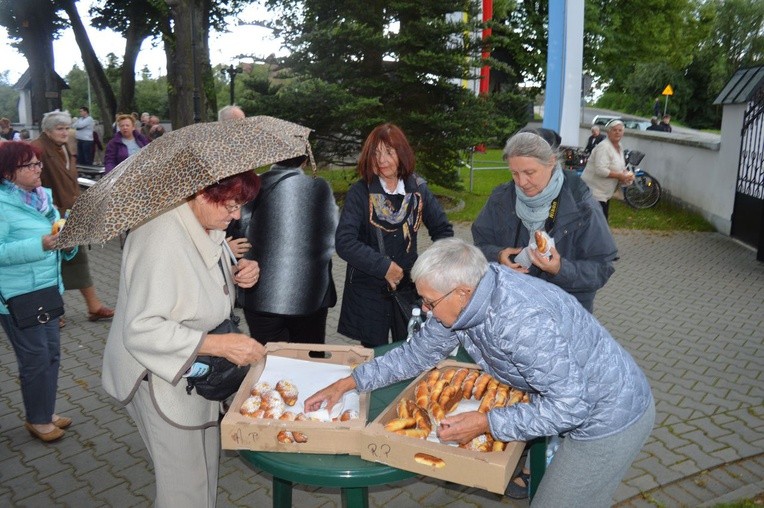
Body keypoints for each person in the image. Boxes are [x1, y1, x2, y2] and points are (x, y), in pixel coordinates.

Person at [306, 238, 655, 508]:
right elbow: (417, 354)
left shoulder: (520, 323)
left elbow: (570, 407)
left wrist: (488, 422)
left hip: (608, 416)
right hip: (575, 396)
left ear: (462, 292)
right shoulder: (465, 301)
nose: (425, 311)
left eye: (429, 303)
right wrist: (350, 382)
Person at [101, 171, 266, 507]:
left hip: (197, 372)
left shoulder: (200, 220)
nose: (236, 216)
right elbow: (142, 328)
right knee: (185, 489)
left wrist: (240, 273)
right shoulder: (159, 236)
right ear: (202, 193)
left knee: (204, 470)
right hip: (161, 378)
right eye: (232, 205)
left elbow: (198, 280)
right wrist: (220, 344)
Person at [472, 130, 617, 313]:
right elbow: (479, 247)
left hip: (564, 316)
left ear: (551, 163)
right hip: (511, 311)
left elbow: (601, 269)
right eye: (514, 173)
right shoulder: (501, 199)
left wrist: (559, 269)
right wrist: (498, 255)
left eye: (529, 172)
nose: (521, 182)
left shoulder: (581, 206)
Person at [335, 123, 453, 347]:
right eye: (376, 153)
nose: (382, 160)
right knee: (373, 356)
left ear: (402, 154)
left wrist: (429, 271)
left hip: (408, 289)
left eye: (389, 152)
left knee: (409, 349)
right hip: (368, 289)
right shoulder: (360, 192)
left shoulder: (417, 190)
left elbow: (443, 232)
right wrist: (384, 267)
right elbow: (344, 242)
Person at [0, 141, 78, 442]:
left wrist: (67, 242)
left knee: (52, 355)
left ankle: (45, 410)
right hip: (17, 296)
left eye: (38, 163)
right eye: (29, 165)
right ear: (9, 172)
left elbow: (56, 243)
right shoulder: (4, 206)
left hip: (46, 289)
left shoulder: (43, 198)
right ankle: (37, 419)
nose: (38, 169)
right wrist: (39, 245)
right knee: (35, 358)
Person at [227, 155, 338, 344]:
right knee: (308, 358)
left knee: (270, 360)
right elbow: (332, 235)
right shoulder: (319, 186)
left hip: (260, 292)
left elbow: (237, 227)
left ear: (273, 158)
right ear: (304, 161)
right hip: (309, 292)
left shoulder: (254, 186)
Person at [32, 110, 114, 325]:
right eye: (60, 128)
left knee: (77, 260)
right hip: (50, 216)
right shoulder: (37, 149)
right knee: (54, 264)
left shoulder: (64, 147)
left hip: (70, 214)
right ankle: (54, 311)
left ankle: (94, 306)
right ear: (47, 131)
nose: (65, 132)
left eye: (67, 128)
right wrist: (47, 209)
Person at [580, 120, 635, 220]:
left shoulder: (619, 146)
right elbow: (600, 170)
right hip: (594, 193)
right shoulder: (604, 147)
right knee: (598, 225)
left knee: (601, 224)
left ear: (623, 133)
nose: (617, 132)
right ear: (608, 132)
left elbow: (620, 166)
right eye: (614, 130)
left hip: (604, 194)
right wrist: (619, 176)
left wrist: (625, 175)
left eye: (620, 130)